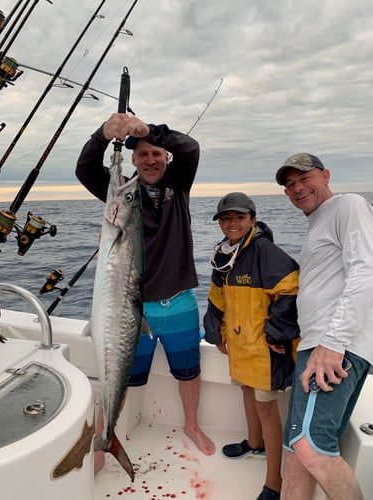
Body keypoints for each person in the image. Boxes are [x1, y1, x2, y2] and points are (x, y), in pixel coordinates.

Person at [76, 113, 215, 473]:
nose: (151, 160)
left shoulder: (179, 184)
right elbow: (86, 169)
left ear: (166, 157)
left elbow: (191, 148)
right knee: (119, 374)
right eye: (143, 155)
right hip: (130, 309)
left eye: (157, 154)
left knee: (189, 371)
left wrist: (148, 132)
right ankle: (106, 437)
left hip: (180, 302)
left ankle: (191, 424)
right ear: (133, 160)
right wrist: (102, 135)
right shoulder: (121, 192)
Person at [275, 153, 373, 500]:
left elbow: (365, 270)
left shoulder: (347, 205)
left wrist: (333, 342)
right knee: (295, 449)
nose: (297, 188)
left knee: (311, 446)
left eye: (304, 178)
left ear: (326, 175)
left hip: (333, 347)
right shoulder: (318, 221)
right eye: (289, 184)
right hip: (316, 345)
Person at [203, 192, 300, 500]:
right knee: (245, 390)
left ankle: (274, 481)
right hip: (239, 345)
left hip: (263, 351)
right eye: (226, 218)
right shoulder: (224, 254)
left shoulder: (265, 251)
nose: (233, 223)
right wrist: (216, 332)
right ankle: (254, 443)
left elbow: (292, 290)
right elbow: (216, 297)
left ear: (253, 220)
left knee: (266, 408)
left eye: (240, 217)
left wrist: (275, 335)